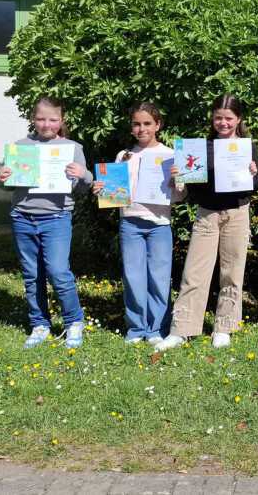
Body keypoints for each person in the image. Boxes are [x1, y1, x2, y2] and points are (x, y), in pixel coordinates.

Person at [155, 95, 258, 351]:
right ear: (212, 118)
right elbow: (192, 189)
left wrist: (254, 174)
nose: (223, 123)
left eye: (229, 118)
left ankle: (224, 327)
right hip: (207, 214)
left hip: (237, 213)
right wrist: (181, 176)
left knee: (232, 273)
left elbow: (254, 187)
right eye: (218, 118)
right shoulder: (200, 147)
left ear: (239, 119)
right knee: (194, 272)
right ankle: (181, 329)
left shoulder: (248, 147)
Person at [0, 97, 92, 349]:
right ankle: (40, 324)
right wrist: (1, 178)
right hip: (22, 217)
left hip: (56, 218)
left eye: (52, 119)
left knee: (59, 272)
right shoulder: (20, 147)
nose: (46, 124)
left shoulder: (72, 148)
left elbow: (84, 187)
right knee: (32, 275)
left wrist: (83, 175)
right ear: (33, 119)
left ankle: (74, 322)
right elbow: (7, 184)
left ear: (62, 120)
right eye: (40, 119)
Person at [92, 102, 182, 346]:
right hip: (130, 223)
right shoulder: (124, 156)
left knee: (159, 278)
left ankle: (156, 328)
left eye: (147, 123)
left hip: (159, 224)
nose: (142, 129)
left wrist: (178, 181)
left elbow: (179, 197)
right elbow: (114, 194)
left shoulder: (170, 155)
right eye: (136, 124)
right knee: (133, 277)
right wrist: (101, 189)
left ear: (158, 125)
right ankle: (135, 328)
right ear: (131, 127)